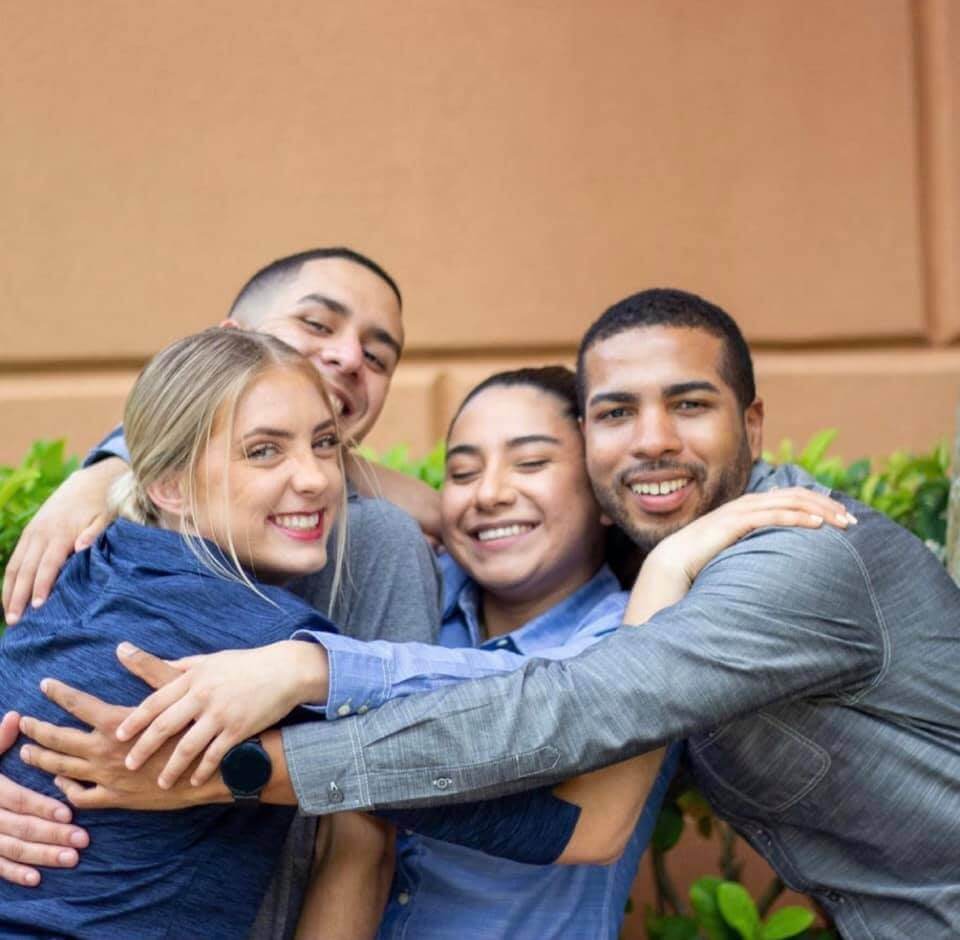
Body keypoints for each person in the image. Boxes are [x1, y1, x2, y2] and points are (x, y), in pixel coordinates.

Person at [32, 288, 957, 939]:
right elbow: (326, 470)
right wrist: (112, 466)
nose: (653, 439)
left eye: (688, 405)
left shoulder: (788, 558)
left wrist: (272, 722)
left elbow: (582, 710)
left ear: (753, 428)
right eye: (616, 414)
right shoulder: (407, 589)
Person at [0, 247, 442, 908]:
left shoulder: (372, 540)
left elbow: (375, 814)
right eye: (318, 325)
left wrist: (303, 674)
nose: (351, 358)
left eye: (379, 356)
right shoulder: (110, 527)